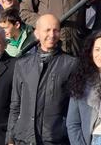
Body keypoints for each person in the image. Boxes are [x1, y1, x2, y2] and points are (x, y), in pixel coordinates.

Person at [7, 14, 78, 145]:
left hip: (54, 138)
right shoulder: (22, 64)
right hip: (24, 138)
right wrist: (10, 138)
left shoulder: (71, 64)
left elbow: (74, 108)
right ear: (37, 33)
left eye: (56, 30)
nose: (52, 34)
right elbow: (15, 105)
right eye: (47, 30)